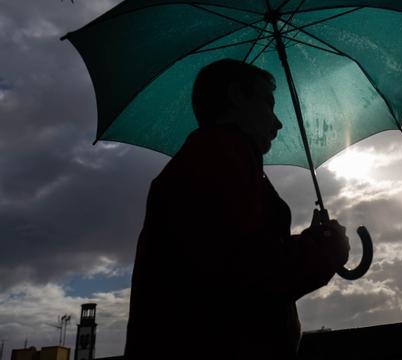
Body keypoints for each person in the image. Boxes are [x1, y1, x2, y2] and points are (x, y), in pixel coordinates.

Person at [124, 59, 350, 359]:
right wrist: (325, 249)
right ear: (236, 96)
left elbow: (240, 250)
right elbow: (251, 273)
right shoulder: (218, 160)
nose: (278, 122)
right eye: (268, 104)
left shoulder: (215, 159)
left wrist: (310, 242)